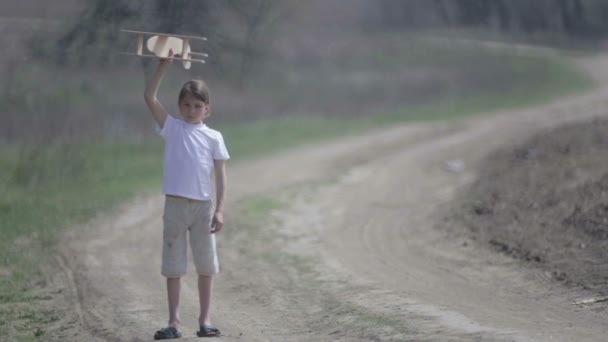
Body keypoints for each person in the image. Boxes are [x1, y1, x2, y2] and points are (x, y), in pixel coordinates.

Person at [144, 51, 229, 339]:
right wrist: (164, 66)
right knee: (174, 266)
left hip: (203, 208)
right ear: (179, 107)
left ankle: (205, 321)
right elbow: (149, 97)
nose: (191, 110)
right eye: (186, 105)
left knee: (206, 266)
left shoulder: (214, 137)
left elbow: (220, 176)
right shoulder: (173, 128)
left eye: (197, 105)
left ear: (207, 109)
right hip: (175, 206)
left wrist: (220, 209)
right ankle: (174, 323)